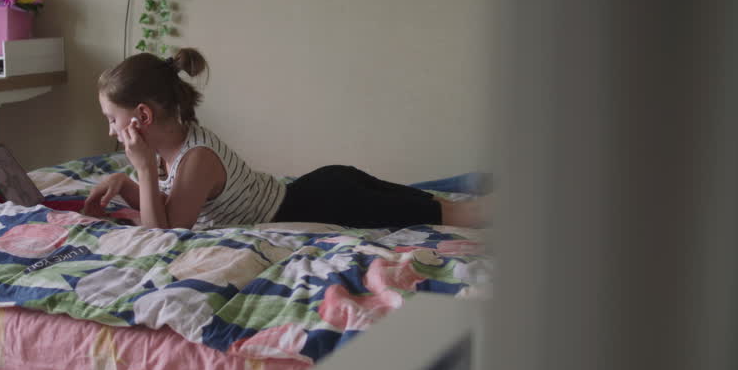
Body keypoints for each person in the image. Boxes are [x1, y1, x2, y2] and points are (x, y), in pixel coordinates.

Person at [84, 48, 489, 230]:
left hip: (327, 201)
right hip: (319, 188)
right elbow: (170, 208)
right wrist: (127, 185)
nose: (110, 131)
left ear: (142, 116)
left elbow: (164, 235)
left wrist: (140, 173)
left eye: (111, 119)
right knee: (441, 205)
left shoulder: (195, 160)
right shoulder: (170, 148)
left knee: (459, 216)